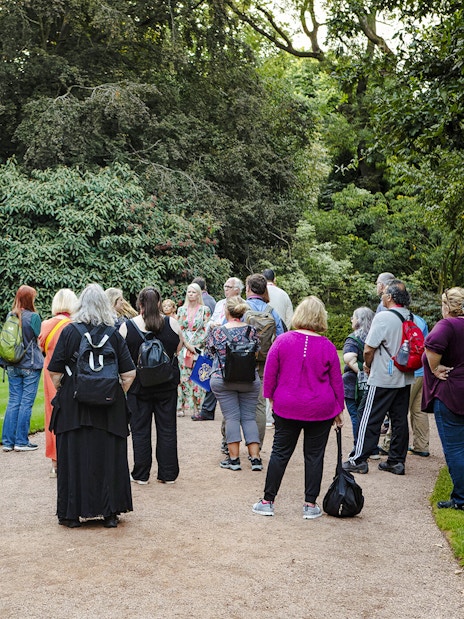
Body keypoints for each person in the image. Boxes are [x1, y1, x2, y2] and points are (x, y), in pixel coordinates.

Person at [48, 284, 136, 528]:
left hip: (74, 408)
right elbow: (128, 374)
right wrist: (110, 393)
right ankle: (109, 514)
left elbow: (55, 372)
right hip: (108, 410)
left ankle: (71, 514)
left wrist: (72, 391)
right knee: (108, 458)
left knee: (73, 458)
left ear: (80, 305)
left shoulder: (69, 332)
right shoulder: (114, 333)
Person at [252, 296, 344, 518]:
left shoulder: (283, 341)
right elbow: (336, 381)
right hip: (320, 408)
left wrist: (272, 399)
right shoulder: (328, 346)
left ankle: (267, 501)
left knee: (280, 453)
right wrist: (339, 410)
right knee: (314, 455)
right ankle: (310, 505)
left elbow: (270, 375)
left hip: (287, 405)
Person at [343, 279, 415, 476]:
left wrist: (367, 365)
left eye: (384, 294)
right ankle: (396, 461)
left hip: (384, 375)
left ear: (390, 297)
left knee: (369, 416)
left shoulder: (383, 317)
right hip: (404, 375)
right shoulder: (411, 316)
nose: (382, 296)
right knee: (399, 419)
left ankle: (358, 459)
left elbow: (368, 348)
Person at [120, 287, 183, 484]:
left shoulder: (127, 327)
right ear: (158, 303)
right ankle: (168, 473)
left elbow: (121, 355)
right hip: (166, 385)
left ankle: (141, 474)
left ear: (139, 304)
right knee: (167, 428)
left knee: (140, 430)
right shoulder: (171, 323)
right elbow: (178, 349)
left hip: (138, 386)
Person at [205, 296, 261, 471]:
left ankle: (234, 460)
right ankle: (255, 459)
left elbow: (209, 353)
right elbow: (257, 352)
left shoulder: (218, 331)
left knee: (231, 418)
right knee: (249, 417)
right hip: (249, 379)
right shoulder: (251, 330)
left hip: (223, 379)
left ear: (226, 311)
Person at [422, 287, 464, 511]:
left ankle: (461, 499)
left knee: (455, 448)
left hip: (451, 394)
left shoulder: (447, 325)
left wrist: (435, 367)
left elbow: (432, 346)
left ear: (447, 306)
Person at [38, 288, 78, 477]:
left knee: (51, 414)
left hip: (49, 373)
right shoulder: (74, 325)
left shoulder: (46, 324)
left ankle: (55, 462)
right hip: (70, 373)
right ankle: (71, 457)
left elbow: (42, 347)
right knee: (71, 413)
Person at [195, 276, 244, 422]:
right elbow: (211, 320)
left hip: (234, 347)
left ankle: (217, 410)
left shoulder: (243, 304)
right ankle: (207, 410)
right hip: (217, 344)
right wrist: (212, 325)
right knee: (214, 374)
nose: (225, 289)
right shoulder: (220, 303)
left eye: (228, 287)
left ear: (237, 290)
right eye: (225, 286)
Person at [1, 285, 44, 452]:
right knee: (26, 403)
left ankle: (7, 442)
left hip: (12, 364)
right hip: (30, 364)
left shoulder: (11, 315)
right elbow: (38, 339)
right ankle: (21, 441)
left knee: (13, 402)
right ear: (29, 299)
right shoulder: (33, 317)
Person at [245, 273, 284, 446]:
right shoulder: (272, 311)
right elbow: (281, 339)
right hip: (263, 362)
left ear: (248, 288)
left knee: (233, 403)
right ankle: (257, 444)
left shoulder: (240, 308)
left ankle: (228, 444)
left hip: (240, 361)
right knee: (259, 405)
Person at [176, 283, 211, 418]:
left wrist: (197, 346)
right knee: (183, 378)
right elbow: (179, 329)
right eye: (189, 292)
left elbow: (206, 329)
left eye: (193, 292)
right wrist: (185, 344)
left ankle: (199, 407)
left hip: (198, 347)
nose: (191, 294)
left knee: (198, 377)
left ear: (198, 294)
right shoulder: (181, 310)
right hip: (184, 347)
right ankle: (181, 406)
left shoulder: (204, 310)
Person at [342, 307, 375, 446]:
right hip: (373, 384)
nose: (352, 319)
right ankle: (372, 448)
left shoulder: (354, 338)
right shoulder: (374, 337)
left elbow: (349, 358)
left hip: (353, 386)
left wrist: (362, 372)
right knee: (370, 417)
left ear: (359, 320)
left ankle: (359, 446)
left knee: (356, 416)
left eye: (353, 317)